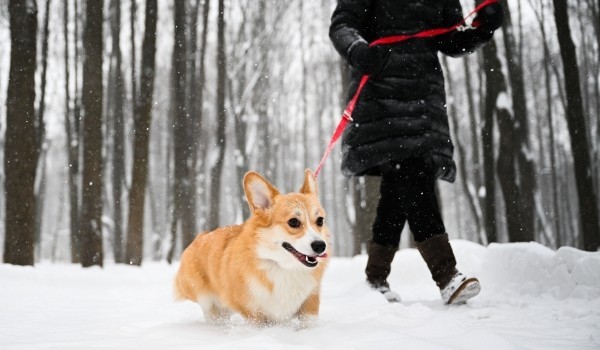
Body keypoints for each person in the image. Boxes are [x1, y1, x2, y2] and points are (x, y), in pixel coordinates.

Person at [329, 0, 503, 304]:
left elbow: (449, 38)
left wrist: (482, 27)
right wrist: (358, 49)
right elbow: (342, 25)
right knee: (412, 174)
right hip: (381, 96)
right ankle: (447, 275)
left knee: (398, 189)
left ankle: (374, 279)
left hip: (424, 99)